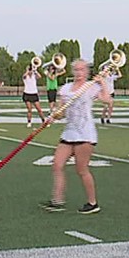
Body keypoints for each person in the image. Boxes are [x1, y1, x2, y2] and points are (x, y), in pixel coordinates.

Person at [39, 59, 111, 214]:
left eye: (82, 70)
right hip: (69, 132)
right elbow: (61, 111)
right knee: (57, 164)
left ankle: (92, 202)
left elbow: (107, 100)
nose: (79, 73)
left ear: (87, 72)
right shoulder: (65, 88)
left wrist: (102, 82)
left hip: (85, 134)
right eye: (76, 70)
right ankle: (57, 200)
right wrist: (52, 117)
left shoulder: (91, 87)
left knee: (81, 170)